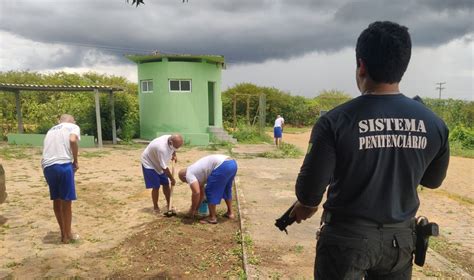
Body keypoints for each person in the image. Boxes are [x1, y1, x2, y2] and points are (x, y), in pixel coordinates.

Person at [290, 21, 450, 279]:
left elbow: (309, 193)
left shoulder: (335, 121)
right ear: (403, 65)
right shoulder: (434, 124)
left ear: (361, 65)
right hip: (399, 243)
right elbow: (433, 181)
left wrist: (307, 206)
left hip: (346, 242)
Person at [41, 114, 81, 244]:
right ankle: (67, 235)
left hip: (47, 166)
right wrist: (75, 160)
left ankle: (63, 232)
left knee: (56, 199)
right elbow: (73, 140)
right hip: (63, 165)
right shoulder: (72, 127)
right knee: (67, 200)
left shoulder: (51, 130)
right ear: (72, 120)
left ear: (59, 121)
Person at [178, 154, 237, 224]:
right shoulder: (196, 172)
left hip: (222, 166)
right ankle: (230, 213)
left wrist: (192, 210)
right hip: (232, 164)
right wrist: (196, 209)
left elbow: (196, 193)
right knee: (226, 189)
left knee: (209, 191)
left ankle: (212, 217)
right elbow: (201, 193)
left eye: (185, 181)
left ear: (185, 177)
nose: (188, 183)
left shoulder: (189, 174)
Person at [141, 134, 183, 213]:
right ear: (171, 143)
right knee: (156, 186)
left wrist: (174, 154)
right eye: (176, 147)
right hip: (149, 163)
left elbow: (173, 149)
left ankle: (169, 204)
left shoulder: (171, 139)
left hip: (159, 162)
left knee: (166, 184)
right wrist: (172, 179)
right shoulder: (161, 148)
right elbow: (164, 167)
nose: (177, 149)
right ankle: (156, 207)